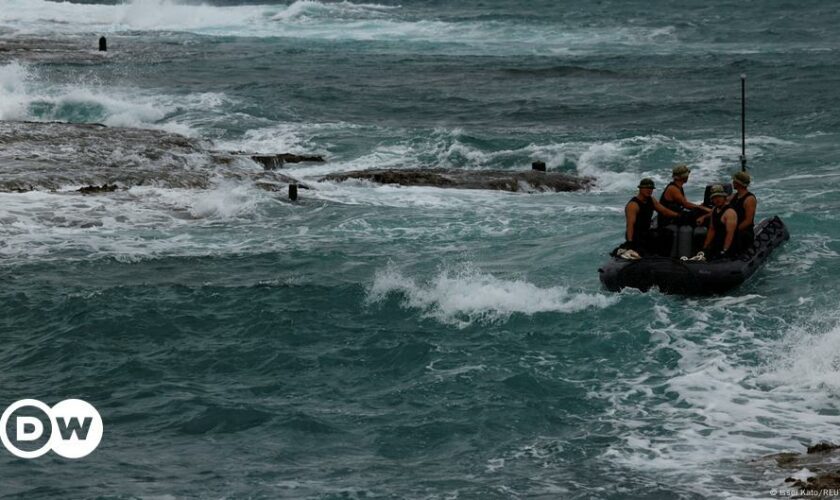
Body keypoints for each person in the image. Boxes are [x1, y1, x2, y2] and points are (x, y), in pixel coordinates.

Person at [622, 178, 680, 256]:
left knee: (667, 234)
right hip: (636, 235)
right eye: (646, 188)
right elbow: (630, 225)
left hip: (646, 233)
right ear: (640, 189)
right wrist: (630, 242)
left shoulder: (651, 200)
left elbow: (664, 211)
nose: (649, 190)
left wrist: (679, 215)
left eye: (651, 188)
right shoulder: (633, 205)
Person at [693, 185, 738, 260]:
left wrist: (724, 251)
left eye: (719, 197)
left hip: (730, 246)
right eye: (714, 198)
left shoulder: (730, 212)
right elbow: (712, 229)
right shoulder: (714, 210)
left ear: (724, 197)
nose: (717, 199)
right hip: (717, 243)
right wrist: (705, 247)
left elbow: (730, 235)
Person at [729, 170, 756, 253]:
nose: (732, 183)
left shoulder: (749, 199)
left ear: (738, 183)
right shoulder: (734, 196)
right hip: (733, 229)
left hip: (743, 232)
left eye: (734, 181)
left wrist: (733, 231)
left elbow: (748, 221)